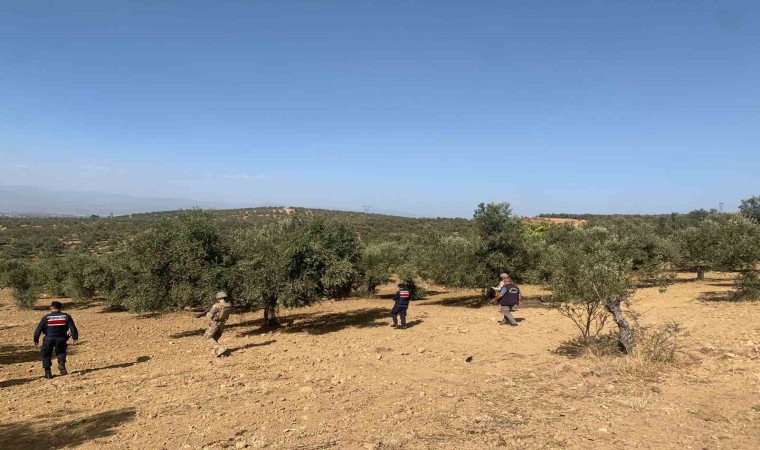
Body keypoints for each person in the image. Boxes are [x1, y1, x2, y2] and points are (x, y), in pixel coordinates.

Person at [33, 301, 79, 379]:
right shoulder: (66, 316)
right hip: (61, 338)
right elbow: (72, 327)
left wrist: (36, 339)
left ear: (51, 307)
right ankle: (61, 365)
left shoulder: (46, 317)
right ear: (60, 308)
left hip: (48, 339)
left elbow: (38, 329)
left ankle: (48, 373)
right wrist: (75, 337)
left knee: (46, 354)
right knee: (61, 352)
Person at [204, 291, 232, 357]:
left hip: (215, 323)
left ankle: (219, 348)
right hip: (222, 323)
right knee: (215, 337)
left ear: (219, 298)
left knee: (207, 336)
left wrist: (208, 315)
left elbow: (210, 315)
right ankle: (216, 352)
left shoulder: (216, 306)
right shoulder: (229, 305)